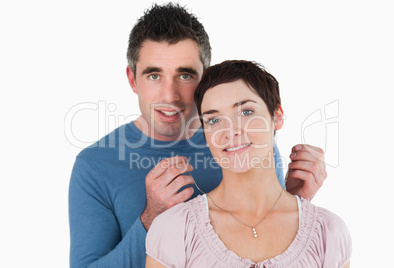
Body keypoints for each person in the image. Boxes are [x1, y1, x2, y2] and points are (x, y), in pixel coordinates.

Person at [69, 3, 327, 267]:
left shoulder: (242, 141)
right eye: (154, 75)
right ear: (133, 80)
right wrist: (151, 218)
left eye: (185, 75)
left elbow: (262, 241)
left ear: (205, 78)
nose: (170, 95)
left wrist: (294, 203)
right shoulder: (94, 165)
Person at [145, 60, 351, 268]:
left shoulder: (328, 232)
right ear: (206, 135)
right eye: (214, 120)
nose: (231, 131)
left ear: (277, 116)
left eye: (246, 112)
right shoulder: (174, 229)